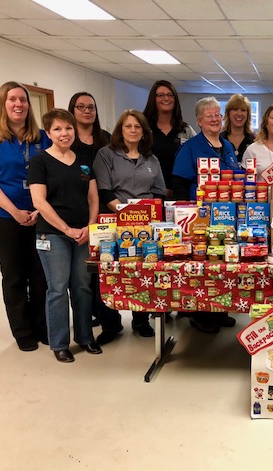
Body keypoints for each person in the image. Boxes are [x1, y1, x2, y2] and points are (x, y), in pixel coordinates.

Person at [0, 81, 50, 352]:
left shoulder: (41, 137)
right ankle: (23, 332)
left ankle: (43, 327)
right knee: (15, 275)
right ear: (2, 104)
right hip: (3, 217)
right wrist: (15, 212)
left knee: (40, 275)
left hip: (41, 215)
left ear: (29, 105)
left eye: (23, 100)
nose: (18, 104)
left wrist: (41, 208)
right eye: (12, 99)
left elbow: (53, 173)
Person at [28, 108, 101, 362]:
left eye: (68, 128)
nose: (64, 133)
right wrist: (66, 229)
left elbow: (93, 199)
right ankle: (59, 343)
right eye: (57, 129)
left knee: (82, 287)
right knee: (58, 289)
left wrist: (89, 227)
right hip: (53, 235)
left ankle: (85, 337)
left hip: (83, 233)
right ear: (48, 133)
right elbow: (39, 201)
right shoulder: (40, 162)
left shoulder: (83, 161)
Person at [93, 109, 167, 343]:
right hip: (114, 220)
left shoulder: (151, 160)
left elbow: (158, 192)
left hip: (145, 224)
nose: (133, 130)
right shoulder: (106, 154)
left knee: (142, 270)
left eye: (138, 127)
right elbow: (104, 190)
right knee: (110, 270)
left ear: (144, 132)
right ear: (120, 130)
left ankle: (141, 319)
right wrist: (126, 212)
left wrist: (145, 213)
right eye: (128, 126)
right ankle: (110, 324)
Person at [173, 97, 241, 333]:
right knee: (203, 265)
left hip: (226, 215)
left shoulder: (227, 146)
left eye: (217, 115)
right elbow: (180, 184)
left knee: (224, 264)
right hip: (200, 217)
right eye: (209, 115)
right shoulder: (190, 148)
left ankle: (220, 309)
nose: (214, 119)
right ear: (199, 121)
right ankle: (200, 314)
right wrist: (189, 216)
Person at [67, 91, 116, 328]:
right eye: (81, 107)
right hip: (74, 209)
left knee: (104, 266)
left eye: (91, 107)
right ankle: (87, 318)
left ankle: (109, 318)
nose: (87, 111)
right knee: (81, 274)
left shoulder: (105, 139)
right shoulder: (66, 138)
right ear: (72, 110)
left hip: (103, 209)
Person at [142, 80, 196, 200]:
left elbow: (195, 159)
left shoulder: (186, 130)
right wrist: (159, 189)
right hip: (151, 194)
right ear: (153, 99)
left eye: (170, 94)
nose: (166, 98)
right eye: (160, 95)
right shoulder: (143, 129)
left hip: (181, 193)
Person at [221, 93, 255, 161]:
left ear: (248, 115)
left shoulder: (254, 140)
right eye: (235, 109)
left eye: (243, 110)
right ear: (228, 113)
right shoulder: (219, 140)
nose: (239, 114)